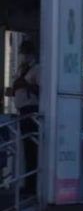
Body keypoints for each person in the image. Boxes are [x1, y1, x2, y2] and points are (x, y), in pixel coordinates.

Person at [8, 40, 39, 195]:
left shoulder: (36, 70)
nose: (23, 56)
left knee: (32, 149)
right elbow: (15, 87)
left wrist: (25, 84)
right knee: (25, 149)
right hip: (22, 111)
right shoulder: (21, 70)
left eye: (25, 53)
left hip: (31, 111)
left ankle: (32, 184)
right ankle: (26, 182)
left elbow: (40, 90)